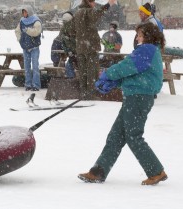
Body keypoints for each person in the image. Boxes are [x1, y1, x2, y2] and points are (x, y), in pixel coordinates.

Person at [78, 22, 168, 185]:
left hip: (139, 97)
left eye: (140, 34)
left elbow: (127, 66)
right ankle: (98, 171)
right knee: (116, 136)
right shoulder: (148, 51)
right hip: (135, 96)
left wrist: (108, 74)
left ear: (148, 36)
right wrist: (115, 82)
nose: (138, 38)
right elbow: (135, 73)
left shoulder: (147, 49)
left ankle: (156, 171)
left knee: (133, 136)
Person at [73, 0, 114, 100]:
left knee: (82, 71)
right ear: (88, 2)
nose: (94, 4)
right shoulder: (87, 11)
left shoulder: (78, 12)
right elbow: (97, 13)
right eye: (93, 2)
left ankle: (83, 93)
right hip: (90, 47)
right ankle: (91, 94)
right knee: (92, 72)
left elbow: (73, 29)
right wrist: (108, 5)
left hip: (80, 47)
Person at [15, 5, 42, 91]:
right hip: (25, 47)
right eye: (23, 12)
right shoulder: (22, 21)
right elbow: (17, 31)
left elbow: (37, 32)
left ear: (29, 12)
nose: (24, 13)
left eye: (25, 12)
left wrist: (27, 30)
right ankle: (28, 84)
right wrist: (20, 40)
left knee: (35, 67)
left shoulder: (36, 21)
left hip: (34, 47)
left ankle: (36, 85)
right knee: (26, 67)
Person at [59, 11, 77, 78]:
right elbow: (64, 43)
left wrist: (76, 53)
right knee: (68, 66)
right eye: (64, 23)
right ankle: (71, 81)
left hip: (80, 54)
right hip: (71, 53)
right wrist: (68, 52)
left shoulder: (77, 28)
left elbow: (80, 42)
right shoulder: (63, 31)